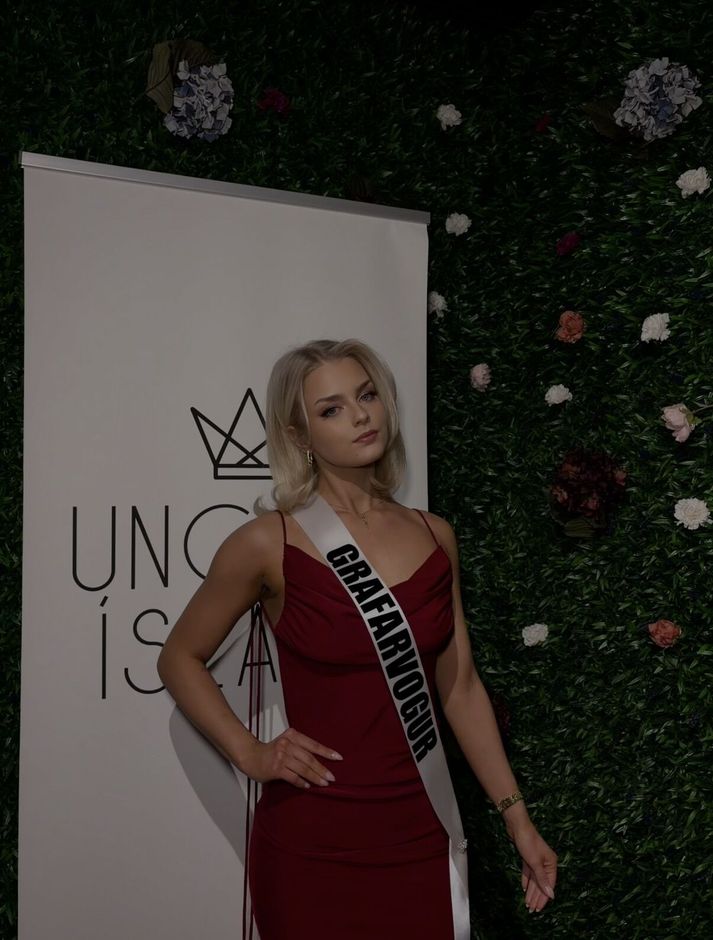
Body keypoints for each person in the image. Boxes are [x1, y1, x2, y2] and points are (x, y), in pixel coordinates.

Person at [157, 338, 558, 938]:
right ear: (299, 434)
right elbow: (178, 658)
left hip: (421, 833)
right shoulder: (267, 543)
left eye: (366, 395)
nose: (361, 416)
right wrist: (252, 753)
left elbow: (460, 689)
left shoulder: (435, 535)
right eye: (332, 408)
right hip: (312, 846)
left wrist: (517, 819)